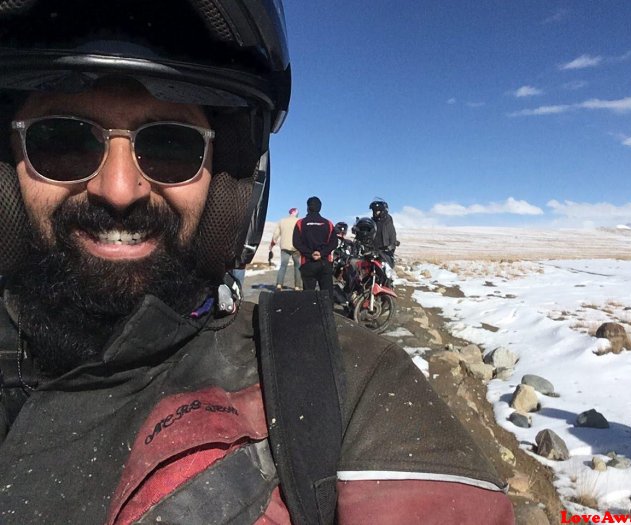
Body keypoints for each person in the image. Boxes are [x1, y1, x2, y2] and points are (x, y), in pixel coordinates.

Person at [0, 2, 514, 524]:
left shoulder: (334, 383)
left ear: (232, 180)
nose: (117, 189)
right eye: (60, 142)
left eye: (172, 146)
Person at [292, 196, 338, 295]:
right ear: (320, 208)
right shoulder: (328, 223)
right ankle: (327, 310)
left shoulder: (300, 223)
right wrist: (321, 253)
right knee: (327, 294)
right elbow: (334, 243)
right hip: (325, 262)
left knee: (308, 294)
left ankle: (309, 310)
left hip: (308, 263)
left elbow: (296, 242)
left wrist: (310, 254)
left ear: (307, 207)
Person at [270, 207, 302, 290]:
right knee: (297, 266)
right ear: (296, 213)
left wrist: (273, 243)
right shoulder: (299, 221)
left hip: (284, 247)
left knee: (283, 266)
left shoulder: (282, 221)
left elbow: (276, 234)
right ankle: (297, 286)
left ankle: (279, 284)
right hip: (296, 247)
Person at [370, 199, 397, 266]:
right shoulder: (372, 223)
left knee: (386, 272)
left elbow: (392, 237)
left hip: (385, 253)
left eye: (377, 211)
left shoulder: (387, 222)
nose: (375, 212)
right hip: (373, 252)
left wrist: (391, 246)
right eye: (374, 211)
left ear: (382, 211)